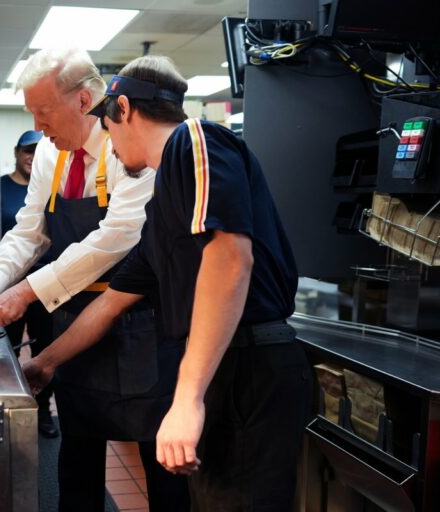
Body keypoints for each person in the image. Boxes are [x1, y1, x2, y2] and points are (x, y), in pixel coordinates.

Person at [24, 55, 312, 511]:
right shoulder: (161, 212)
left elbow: (230, 258)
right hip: (224, 371)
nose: (109, 145)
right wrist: (44, 364)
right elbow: (112, 303)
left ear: (122, 109)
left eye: (107, 124)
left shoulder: (193, 139)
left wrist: (187, 398)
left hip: (249, 368)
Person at [0, 49, 189, 511]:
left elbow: (114, 238)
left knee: (156, 456)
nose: (38, 126)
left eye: (43, 111)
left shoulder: (132, 148)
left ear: (84, 101)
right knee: (78, 450)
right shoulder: (48, 152)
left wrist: (26, 292)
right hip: (74, 320)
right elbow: (29, 230)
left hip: (140, 320)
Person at [0, 129, 58, 438]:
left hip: (46, 284)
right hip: (10, 285)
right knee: (5, 349)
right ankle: (8, 407)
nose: (32, 156)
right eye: (27, 150)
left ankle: (43, 411)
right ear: (17, 152)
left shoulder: (50, 188)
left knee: (44, 346)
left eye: (38, 151)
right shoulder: (0, 187)